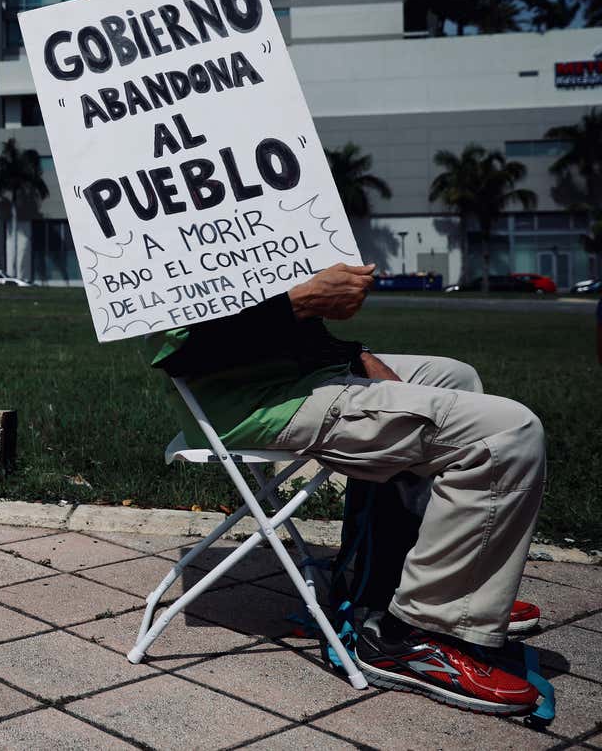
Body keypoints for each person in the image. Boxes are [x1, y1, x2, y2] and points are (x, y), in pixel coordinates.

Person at [149, 262, 547, 716]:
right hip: (245, 403)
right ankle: (410, 634)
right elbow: (185, 356)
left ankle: (425, 587)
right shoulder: (161, 245)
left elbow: (283, 330)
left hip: (298, 374)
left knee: (454, 376)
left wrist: (352, 355)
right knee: (508, 433)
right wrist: (299, 303)